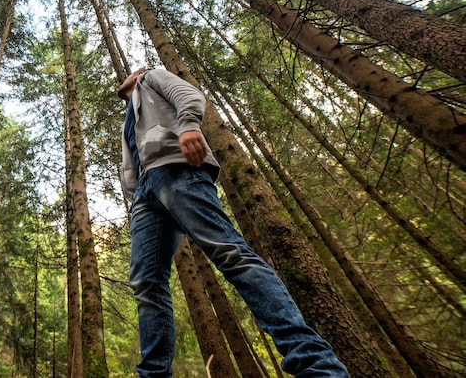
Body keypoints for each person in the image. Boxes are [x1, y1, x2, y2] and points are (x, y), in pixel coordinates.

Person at [119, 67, 350, 377]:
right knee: (146, 283)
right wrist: (135, 201)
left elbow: (188, 94)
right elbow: (130, 164)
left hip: (176, 168)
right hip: (145, 196)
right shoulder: (129, 115)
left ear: (139, 72)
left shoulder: (153, 77)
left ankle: (316, 365)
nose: (124, 82)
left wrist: (188, 126)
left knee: (230, 252)